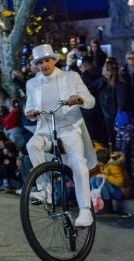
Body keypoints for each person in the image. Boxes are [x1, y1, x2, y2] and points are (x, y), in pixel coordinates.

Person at [25, 44, 97, 227]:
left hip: (69, 129)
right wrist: (31, 112)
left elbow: (90, 101)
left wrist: (79, 99)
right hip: (45, 130)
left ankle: (85, 211)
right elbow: (29, 105)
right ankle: (45, 190)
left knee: (78, 163)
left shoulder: (71, 77)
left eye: (47, 60)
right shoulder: (32, 83)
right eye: (40, 62)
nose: (44, 65)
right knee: (32, 145)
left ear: (54, 60)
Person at [90, 148, 133, 213]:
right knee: (93, 179)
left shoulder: (114, 166)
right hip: (114, 189)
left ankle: (108, 206)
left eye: (97, 160)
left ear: (101, 160)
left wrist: (106, 177)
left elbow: (121, 182)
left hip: (121, 192)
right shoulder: (103, 164)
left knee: (100, 181)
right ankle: (96, 201)